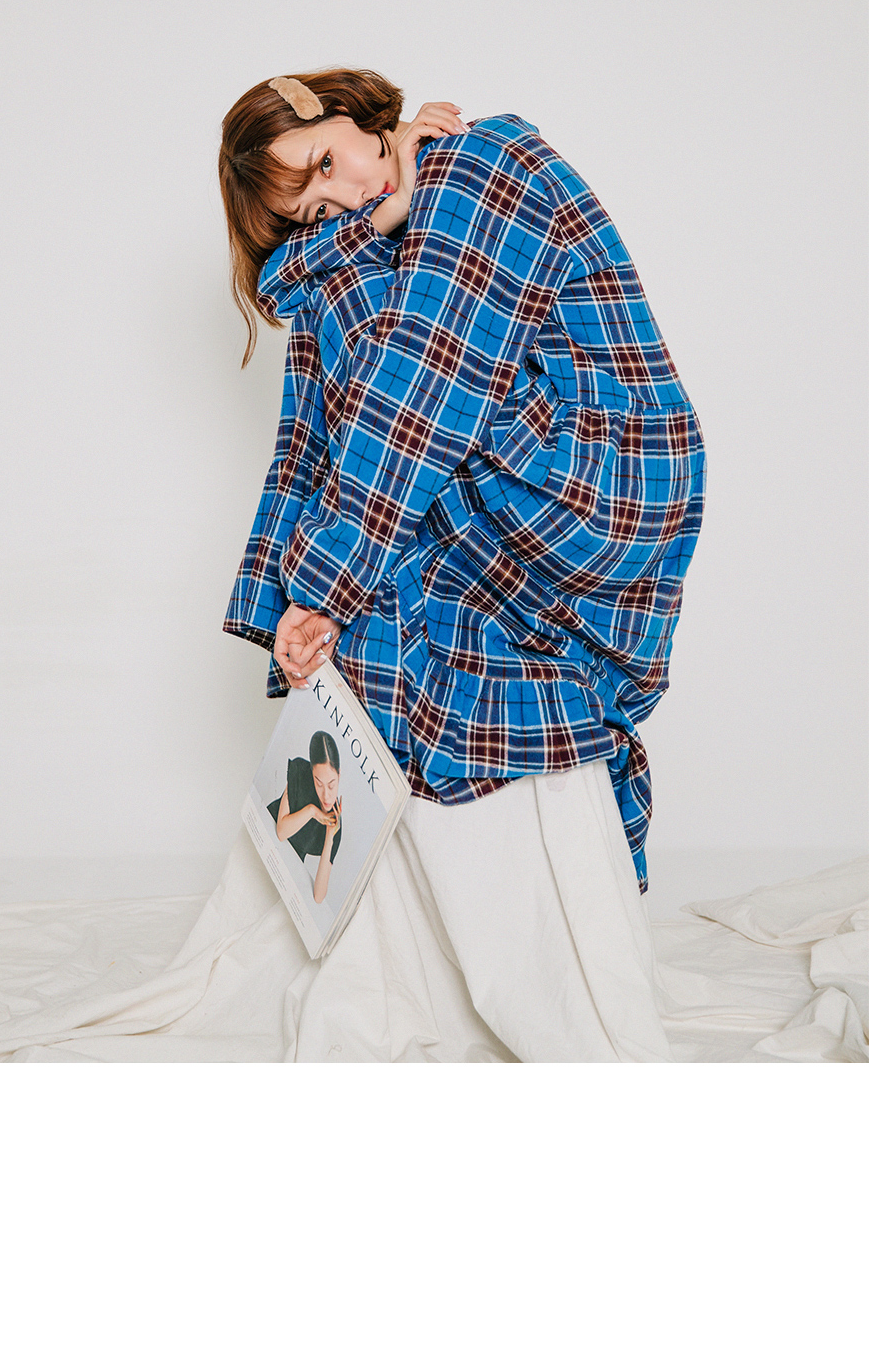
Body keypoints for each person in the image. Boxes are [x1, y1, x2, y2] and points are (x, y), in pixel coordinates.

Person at [217, 67, 706, 1065]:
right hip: (510, 466)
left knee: (369, 344)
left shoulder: (478, 161)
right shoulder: (385, 217)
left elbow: (422, 391)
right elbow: (305, 429)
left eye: (329, 161)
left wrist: (324, 587)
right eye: (312, 205)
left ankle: (501, 962)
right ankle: (407, 950)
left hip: (600, 476)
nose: (342, 196)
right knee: (340, 304)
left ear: (347, 109)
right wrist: (289, 602)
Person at [268, 725, 343, 903]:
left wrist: (329, 837)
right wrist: (312, 811)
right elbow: (281, 832)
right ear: (311, 773)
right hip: (265, 830)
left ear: (339, 776)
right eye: (319, 784)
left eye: (331, 785)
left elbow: (318, 896)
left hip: (282, 867)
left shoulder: (334, 824)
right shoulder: (301, 772)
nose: (326, 795)